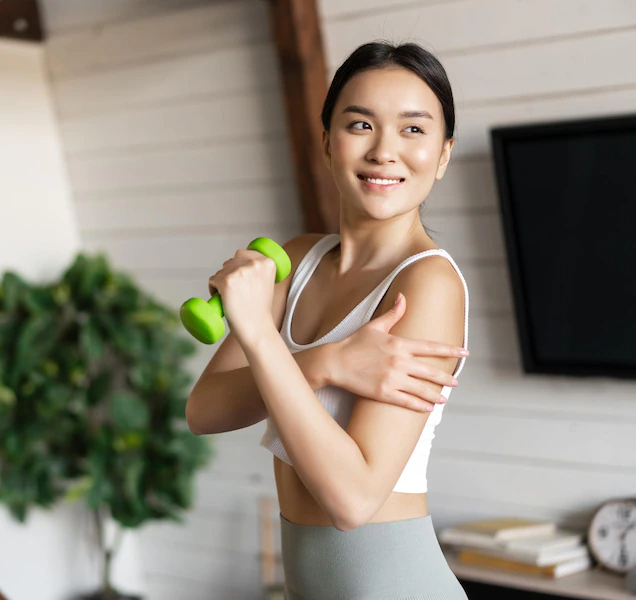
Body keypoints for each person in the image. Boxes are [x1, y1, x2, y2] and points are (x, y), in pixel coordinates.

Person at [186, 41, 470, 599]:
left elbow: (352, 499)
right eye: (360, 124)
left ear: (442, 155)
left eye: (413, 129)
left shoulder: (426, 284)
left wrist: (259, 333)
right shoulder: (297, 259)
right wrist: (326, 362)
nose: (385, 150)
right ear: (326, 144)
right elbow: (204, 410)